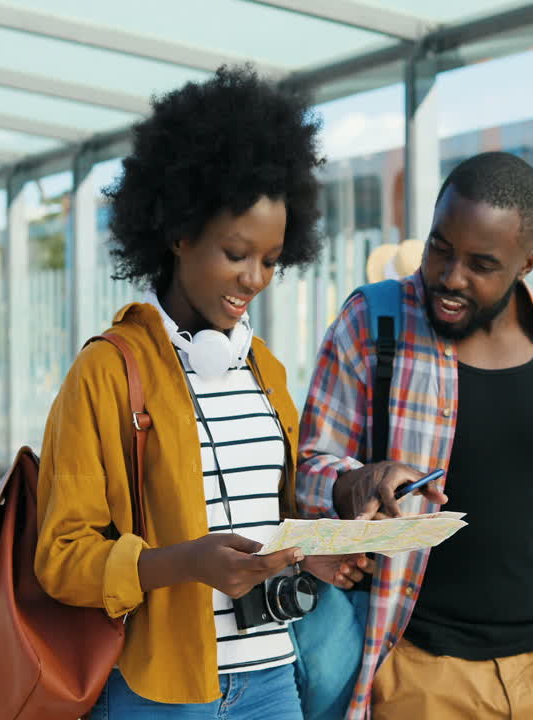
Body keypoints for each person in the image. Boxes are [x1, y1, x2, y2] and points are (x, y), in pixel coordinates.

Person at [33, 66, 364, 719]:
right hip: (157, 692)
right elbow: (61, 559)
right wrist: (183, 563)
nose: (255, 279)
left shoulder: (264, 370)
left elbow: (268, 522)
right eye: (237, 252)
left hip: (271, 680)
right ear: (181, 233)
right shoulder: (107, 372)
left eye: (271, 259)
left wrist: (313, 556)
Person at [297, 152, 533, 719]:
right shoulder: (372, 324)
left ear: (528, 261)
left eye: (481, 264)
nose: (451, 277)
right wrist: (355, 481)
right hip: (423, 678)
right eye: (439, 248)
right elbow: (305, 472)